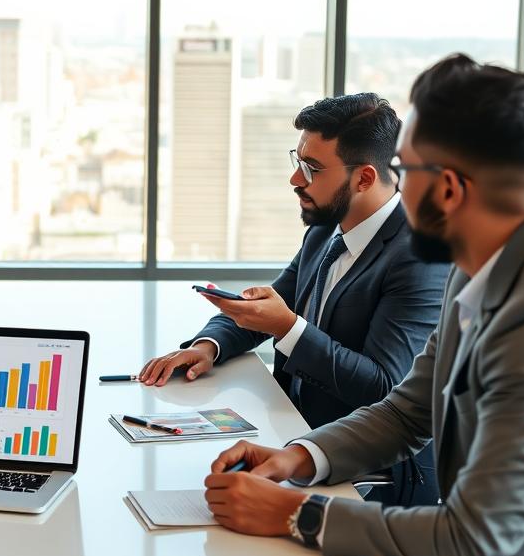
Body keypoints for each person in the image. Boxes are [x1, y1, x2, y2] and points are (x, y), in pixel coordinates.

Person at [203, 55, 524, 556]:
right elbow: (410, 406)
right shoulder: (485, 261)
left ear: (450, 190)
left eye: (404, 170)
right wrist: (297, 457)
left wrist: (298, 516)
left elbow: (469, 545)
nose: (394, 188)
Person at [140, 92, 449, 505]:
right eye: (298, 161)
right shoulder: (326, 228)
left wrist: (286, 327)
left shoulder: (418, 256)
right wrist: (208, 346)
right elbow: (271, 303)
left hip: (371, 478)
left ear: (364, 178)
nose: (296, 179)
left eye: (312, 168)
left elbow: (385, 389)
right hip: (295, 437)